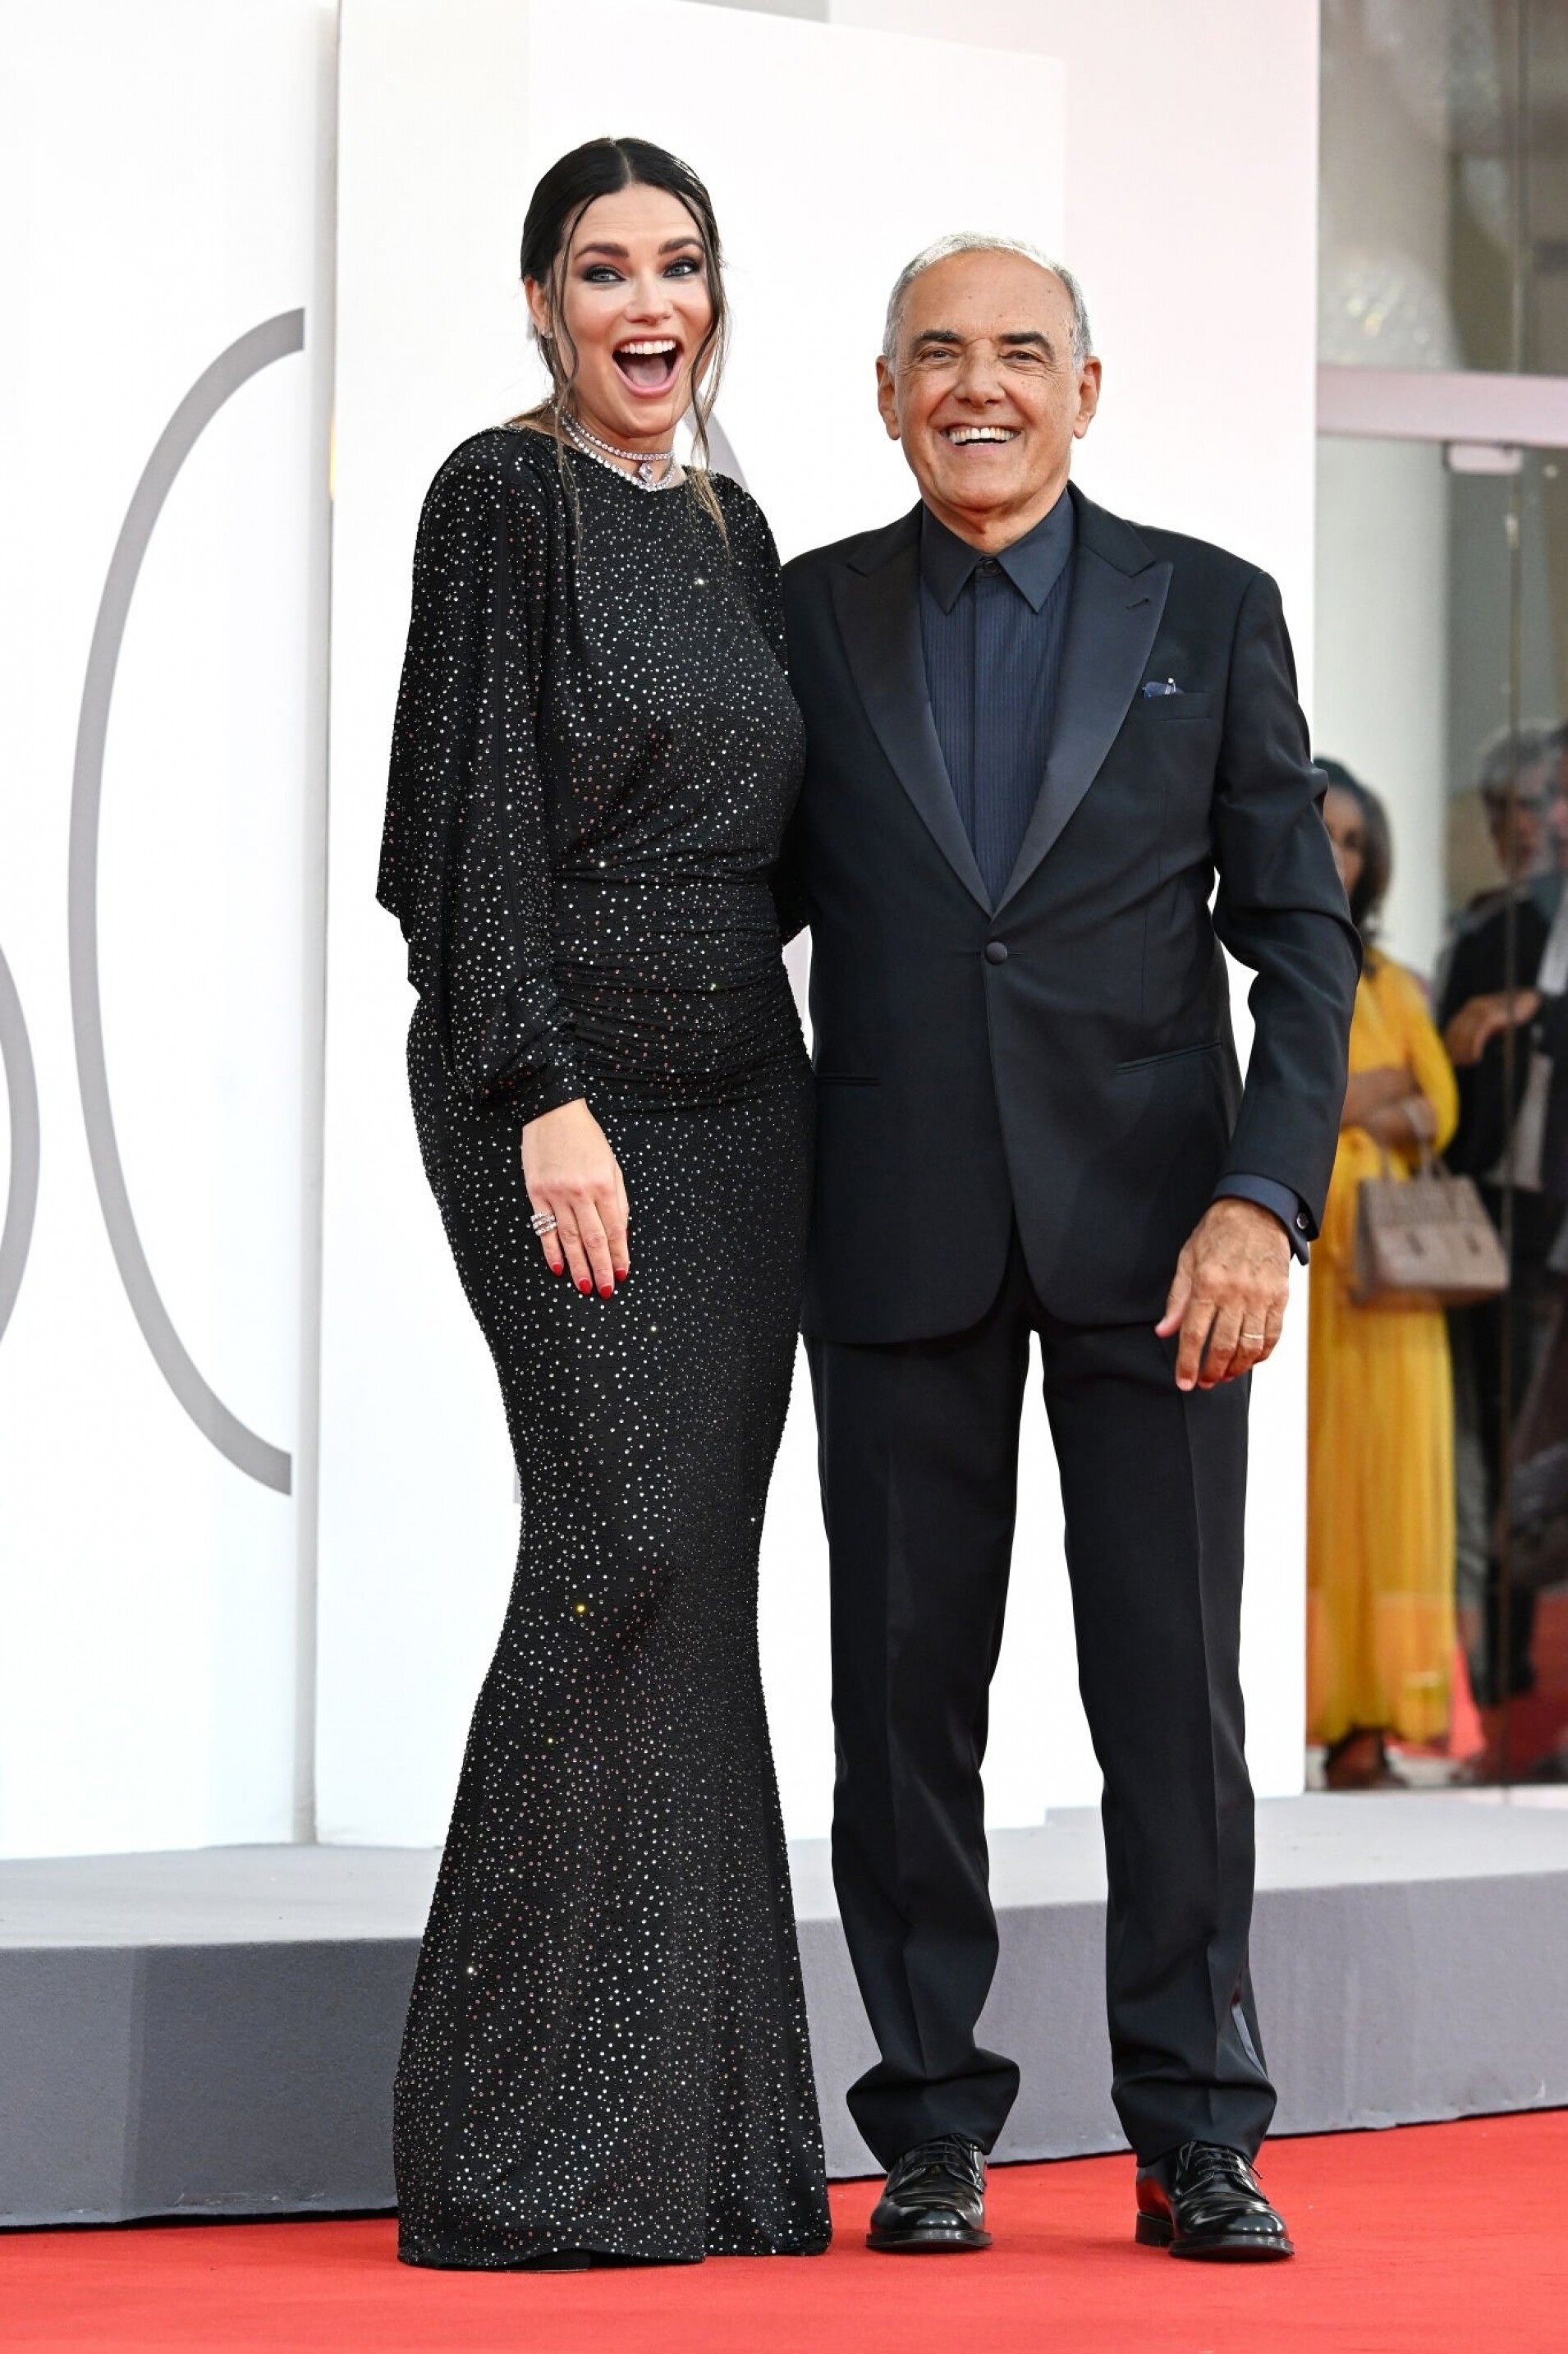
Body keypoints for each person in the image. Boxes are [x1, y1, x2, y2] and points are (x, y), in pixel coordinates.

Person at [781, 234, 1359, 2262]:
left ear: (1083, 390)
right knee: (898, 1701)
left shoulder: (1209, 607)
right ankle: (929, 2120)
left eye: (1020, 351)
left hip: (1164, 1240)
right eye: (936, 353)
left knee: (1170, 1701)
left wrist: (1261, 1196)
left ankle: (1195, 2124)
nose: (979, 384)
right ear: (883, 394)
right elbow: (726, 913)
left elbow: (1300, 942)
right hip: (891, 1225)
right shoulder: (802, 616)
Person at [376, 136, 829, 2269]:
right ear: (541, 302)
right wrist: (538, 1083)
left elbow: (788, 848)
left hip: (749, 1103)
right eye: (600, 268)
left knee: (696, 1580)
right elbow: (457, 821)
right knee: (614, 1542)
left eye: (679, 264)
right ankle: (515, 2144)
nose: (647, 303)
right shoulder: (504, 498)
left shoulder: (736, 531)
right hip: (555, 1087)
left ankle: (708, 2144)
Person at [1307, 764, 1460, 1785]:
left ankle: (1370, 1724)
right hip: (1304, 1282)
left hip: (1393, 1290)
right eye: (1322, 830)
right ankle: (1308, 1710)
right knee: (1315, 1500)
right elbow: (1303, 1093)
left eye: (1354, 840)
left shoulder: (1394, 986)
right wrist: (1376, 1093)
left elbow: (1438, 1104)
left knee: (1395, 1502)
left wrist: (1350, 1099)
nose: (1336, 854)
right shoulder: (1250, 964)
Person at [1438, 726, 1568, 1707]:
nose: (1532, 824)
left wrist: (1536, 1011)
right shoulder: (1491, 929)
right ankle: (1497, 1673)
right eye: (1512, 808)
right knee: (1501, 1444)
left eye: (1541, 800)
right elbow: (1451, 1074)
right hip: (1502, 1223)